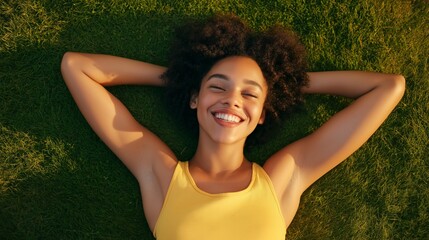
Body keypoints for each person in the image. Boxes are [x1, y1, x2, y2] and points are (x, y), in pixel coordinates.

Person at [60, 14, 405, 240]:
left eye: (249, 93)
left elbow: (388, 88)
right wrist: (181, 79)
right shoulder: (161, 175)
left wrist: (284, 83)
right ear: (195, 98)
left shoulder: (284, 178)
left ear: (264, 112)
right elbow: (76, 67)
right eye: (217, 86)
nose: (232, 100)